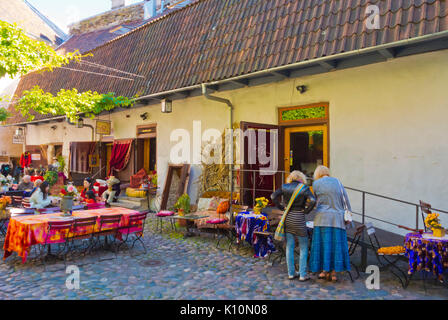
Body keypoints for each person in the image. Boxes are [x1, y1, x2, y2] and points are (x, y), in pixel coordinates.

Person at [309, 165, 352, 282]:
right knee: (335, 246)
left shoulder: (316, 184)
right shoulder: (337, 182)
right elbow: (346, 200)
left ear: (317, 174)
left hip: (322, 218)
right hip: (337, 219)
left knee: (323, 246)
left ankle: (324, 271)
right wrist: (349, 215)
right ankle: (333, 273)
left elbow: (315, 201)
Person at [271, 171, 316, 281]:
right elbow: (313, 200)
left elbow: (273, 196)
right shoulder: (304, 188)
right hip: (299, 218)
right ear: (301, 178)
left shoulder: (285, 187)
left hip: (288, 218)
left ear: (290, 178)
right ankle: (302, 274)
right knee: (303, 247)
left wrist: (281, 207)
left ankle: (291, 273)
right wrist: (306, 211)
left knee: (290, 246)